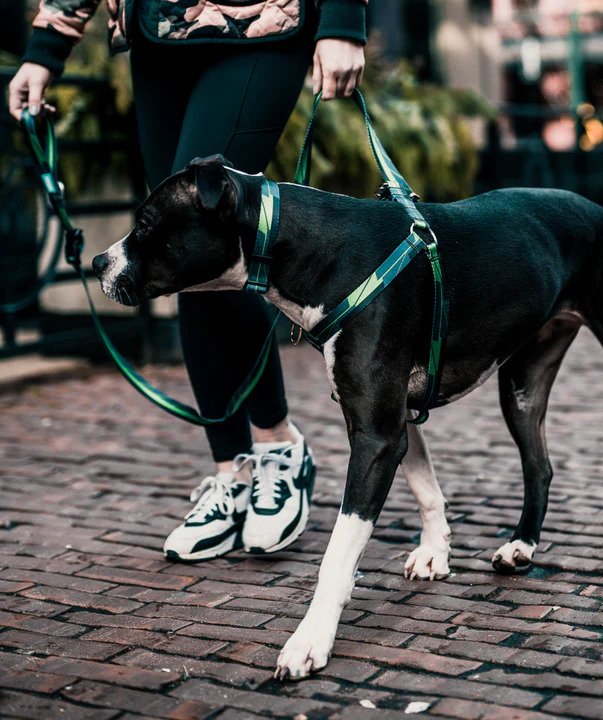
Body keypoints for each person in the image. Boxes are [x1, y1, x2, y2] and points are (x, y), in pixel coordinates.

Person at [9, 0, 367, 562]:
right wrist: (48, 45)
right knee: (178, 258)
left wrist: (344, 19)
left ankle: (278, 448)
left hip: (260, 26)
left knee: (202, 236)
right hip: (156, 31)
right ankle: (231, 471)